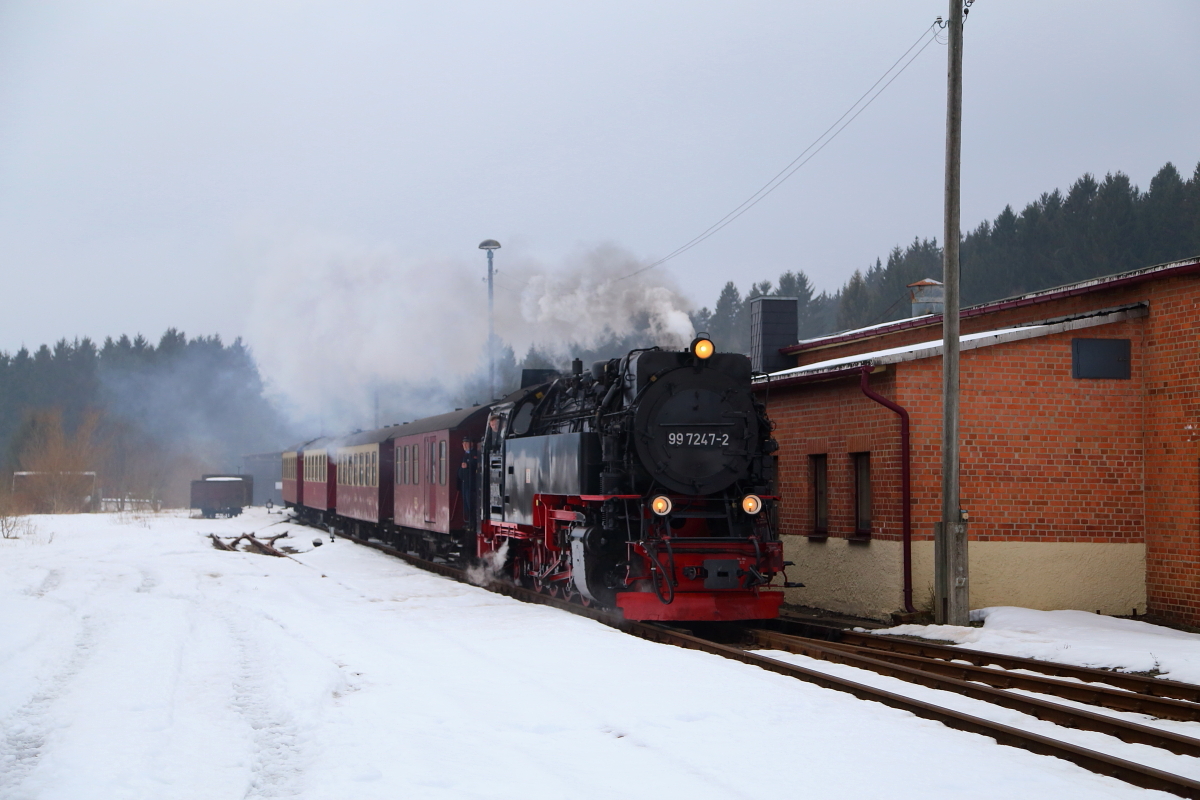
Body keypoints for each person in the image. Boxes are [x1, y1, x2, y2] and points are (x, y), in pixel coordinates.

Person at [458, 439, 479, 529]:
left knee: (471, 504)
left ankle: (473, 523)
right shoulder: (465, 455)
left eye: (466, 443)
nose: (464, 445)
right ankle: (469, 522)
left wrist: (468, 466)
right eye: (463, 444)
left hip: (472, 484)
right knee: (466, 505)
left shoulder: (474, 454)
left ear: (471, 443)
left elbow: (475, 465)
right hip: (465, 484)